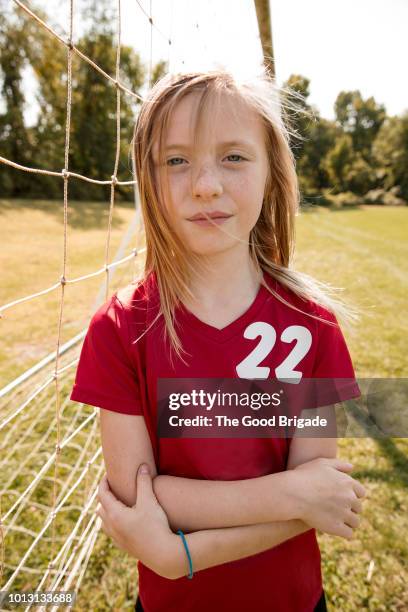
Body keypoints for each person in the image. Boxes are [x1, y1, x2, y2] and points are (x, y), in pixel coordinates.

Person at [70, 69, 367, 612]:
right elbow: (142, 497)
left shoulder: (315, 328)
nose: (205, 184)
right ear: (148, 178)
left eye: (233, 156)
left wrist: (177, 551)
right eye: (177, 160)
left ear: (272, 175)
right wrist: (288, 493)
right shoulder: (118, 329)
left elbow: (320, 496)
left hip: (294, 600)